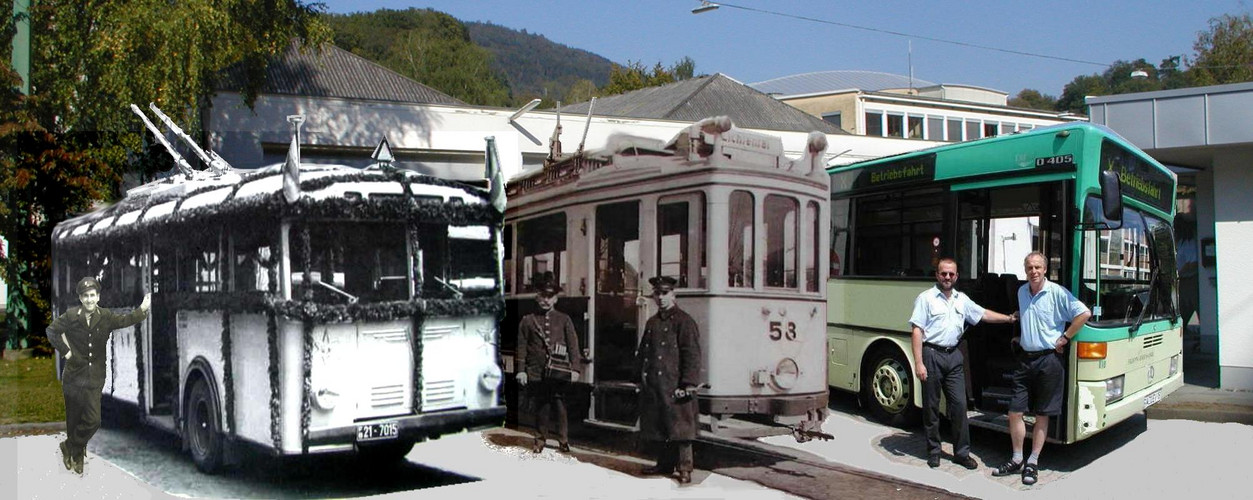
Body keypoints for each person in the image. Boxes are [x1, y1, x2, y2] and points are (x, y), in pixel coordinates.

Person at [991, 252, 1090, 485]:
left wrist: (1065, 337)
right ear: (1025, 270)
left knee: (1041, 414)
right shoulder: (1021, 292)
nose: (1033, 271)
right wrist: (1021, 336)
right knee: (1015, 410)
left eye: (1037, 267)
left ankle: (1033, 462)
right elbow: (1028, 317)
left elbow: (1084, 313)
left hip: (1049, 361)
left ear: (1045, 269)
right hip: (1025, 359)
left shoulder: (1057, 293)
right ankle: (1017, 459)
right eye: (1029, 268)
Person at [909, 258, 1016, 469]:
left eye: (951, 274)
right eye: (943, 273)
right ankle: (934, 451)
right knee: (931, 407)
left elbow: (983, 314)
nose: (947, 277)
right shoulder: (926, 298)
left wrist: (1009, 319)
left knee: (959, 406)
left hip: (954, 356)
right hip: (931, 354)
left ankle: (961, 453)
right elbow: (916, 330)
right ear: (937, 275)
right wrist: (919, 363)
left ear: (957, 276)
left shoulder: (962, 299)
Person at [47, 277, 150, 475]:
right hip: (73, 377)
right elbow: (51, 331)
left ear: (98, 297)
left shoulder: (105, 316)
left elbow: (126, 320)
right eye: (85, 296)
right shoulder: (71, 316)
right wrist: (66, 352)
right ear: (80, 298)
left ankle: (69, 446)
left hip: (95, 378)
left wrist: (143, 309)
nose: (89, 300)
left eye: (92, 296)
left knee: (93, 420)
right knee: (74, 418)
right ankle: (77, 459)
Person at [636, 275, 701, 485]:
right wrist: (640, 378)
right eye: (657, 293)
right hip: (656, 384)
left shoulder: (684, 321)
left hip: (675, 384)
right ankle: (663, 465)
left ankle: (685, 468)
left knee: (681, 428)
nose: (661, 297)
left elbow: (691, 355)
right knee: (660, 424)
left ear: (674, 294)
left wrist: (687, 384)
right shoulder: (652, 322)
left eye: (665, 293)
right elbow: (644, 352)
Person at [514, 273, 581, 453]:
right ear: (537, 297)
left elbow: (573, 345)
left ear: (556, 299)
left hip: (558, 371)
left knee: (560, 405)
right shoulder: (527, 320)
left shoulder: (564, 319)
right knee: (541, 406)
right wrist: (521, 370)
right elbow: (521, 347)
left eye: (549, 297)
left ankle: (563, 440)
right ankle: (539, 440)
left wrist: (575, 368)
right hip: (536, 371)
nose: (545, 300)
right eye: (542, 296)